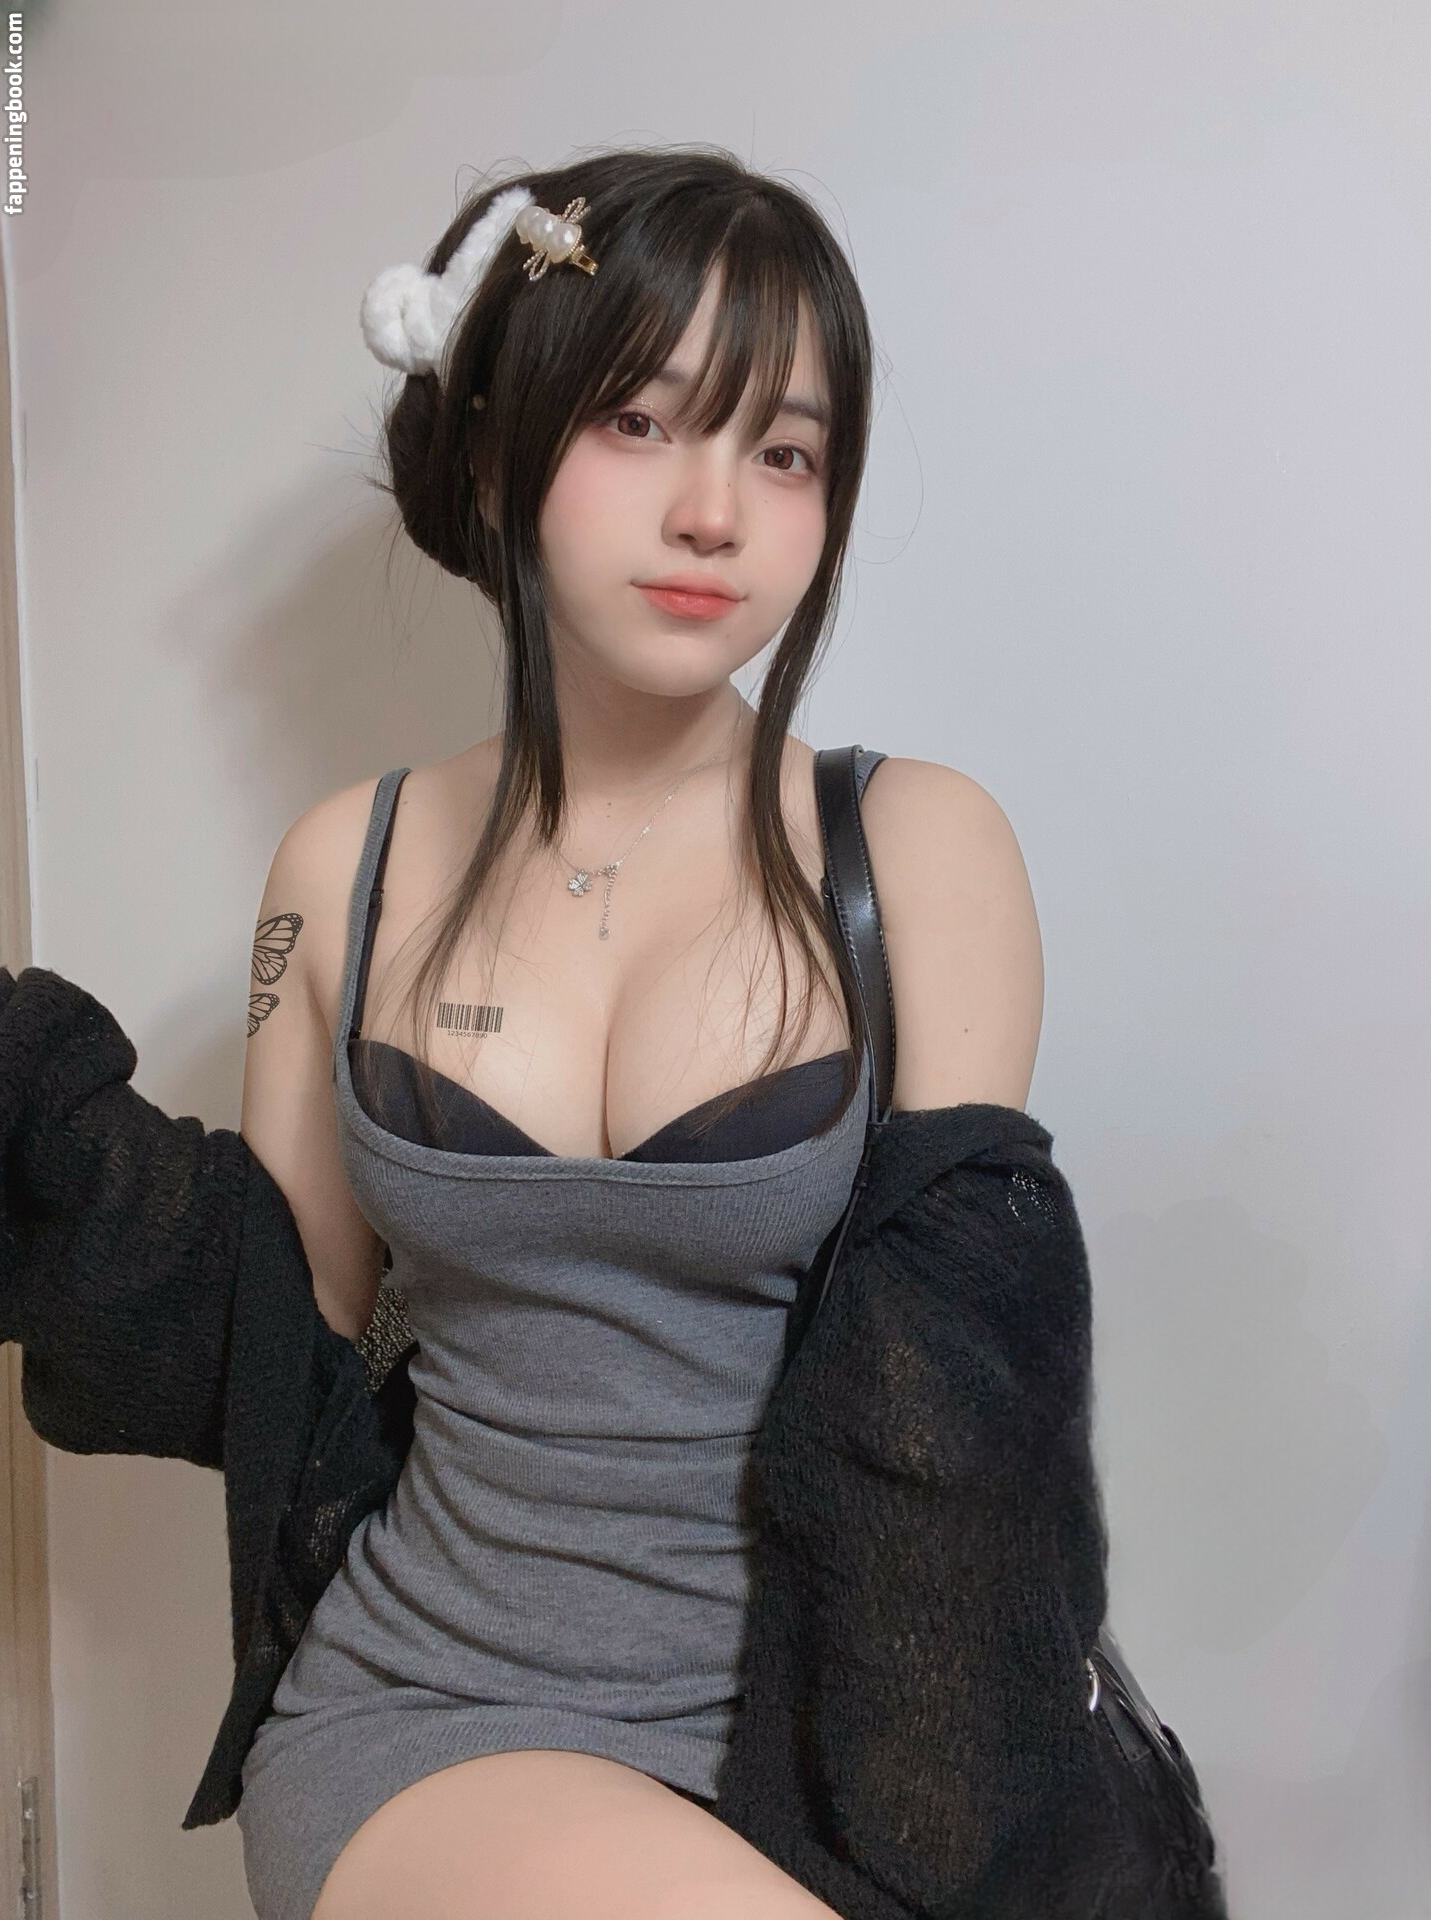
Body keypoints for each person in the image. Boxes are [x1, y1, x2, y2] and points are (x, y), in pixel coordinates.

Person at [195, 146, 1040, 1919]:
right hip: (434, 1715)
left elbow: (958, 1406)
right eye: (640, 423)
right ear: (495, 451)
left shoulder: (917, 849)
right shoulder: (345, 869)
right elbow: (274, 1352)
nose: (715, 512)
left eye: (784, 451)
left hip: (826, 1735)